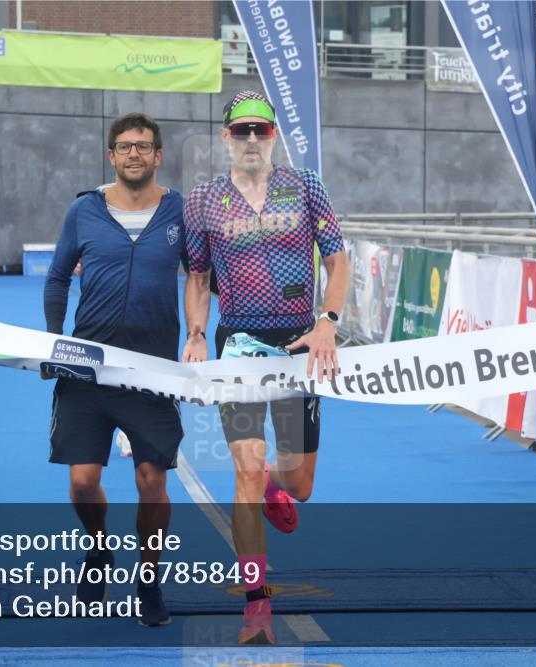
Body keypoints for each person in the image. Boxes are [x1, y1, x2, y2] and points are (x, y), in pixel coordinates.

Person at [182, 91, 349, 644]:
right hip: (239, 349)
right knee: (247, 474)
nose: (251, 138)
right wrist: (197, 335)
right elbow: (198, 277)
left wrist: (327, 321)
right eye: (241, 130)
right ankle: (257, 605)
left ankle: (279, 485)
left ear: (274, 135)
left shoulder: (306, 186)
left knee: (300, 483)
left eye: (261, 129)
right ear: (225, 137)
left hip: (301, 349)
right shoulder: (203, 199)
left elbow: (337, 260)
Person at [44, 112, 185, 627]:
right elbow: (58, 276)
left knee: (151, 480)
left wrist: (198, 334)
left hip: (152, 371)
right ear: (111, 156)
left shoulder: (180, 211)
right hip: (88, 368)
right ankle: (99, 549)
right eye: (125, 146)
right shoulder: (84, 210)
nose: (134, 154)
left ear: (158, 155)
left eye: (143, 146)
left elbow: (204, 275)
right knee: (83, 482)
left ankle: (149, 579)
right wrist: (54, 339)